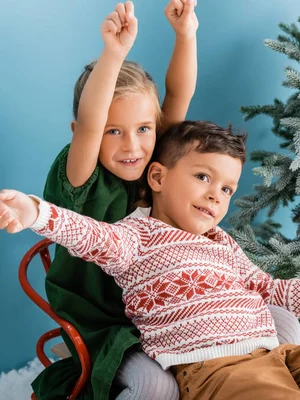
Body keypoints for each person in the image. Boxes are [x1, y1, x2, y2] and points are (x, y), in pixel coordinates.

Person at [0, 120, 300, 400]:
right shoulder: (136, 237)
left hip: (273, 354)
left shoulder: (222, 242)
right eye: (203, 177)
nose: (215, 196)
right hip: (212, 370)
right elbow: (86, 233)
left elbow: (273, 291)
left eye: (226, 189)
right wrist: (35, 212)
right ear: (159, 178)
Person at [35, 1, 199, 398]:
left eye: (143, 128)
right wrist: (114, 54)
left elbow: (177, 96)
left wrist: (185, 35)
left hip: (156, 309)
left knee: (218, 360)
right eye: (114, 132)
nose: (133, 146)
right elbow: (91, 122)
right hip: (103, 319)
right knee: (156, 386)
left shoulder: (154, 160)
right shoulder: (82, 176)